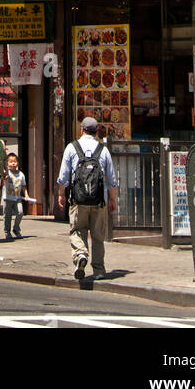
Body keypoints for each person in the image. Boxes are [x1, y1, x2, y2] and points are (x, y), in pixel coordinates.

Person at [57, 115, 118, 283]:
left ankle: (81, 255)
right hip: (99, 200)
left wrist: (61, 194)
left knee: (77, 230)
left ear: (82, 130)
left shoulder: (72, 147)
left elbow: (63, 176)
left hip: (78, 199)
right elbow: (111, 179)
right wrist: (112, 199)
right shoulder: (103, 150)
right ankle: (98, 270)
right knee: (98, 236)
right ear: (97, 131)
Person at [2, 152, 36, 240]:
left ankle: (16, 228)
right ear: (7, 164)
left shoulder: (21, 174)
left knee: (20, 213)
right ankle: (7, 232)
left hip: (17, 198)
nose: (13, 163)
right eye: (10, 162)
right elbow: (2, 180)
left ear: (18, 163)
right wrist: (4, 177)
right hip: (7, 199)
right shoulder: (6, 173)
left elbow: (24, 186)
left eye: (14, 161)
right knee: (7, 216)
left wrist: (26, 195)